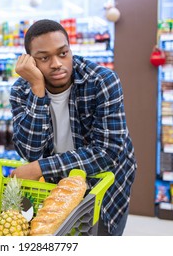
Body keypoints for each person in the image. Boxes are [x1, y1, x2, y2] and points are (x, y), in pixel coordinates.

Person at [9, 19, 137, 236]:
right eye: (44, 58)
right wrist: (38, 91)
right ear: (31, 61)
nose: (57, 63)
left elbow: (107, 153)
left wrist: (39, 168)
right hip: (56, 187)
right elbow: (30, 152)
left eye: (62, 53)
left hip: (104, 187)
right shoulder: (22, 90)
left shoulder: (101, 81)